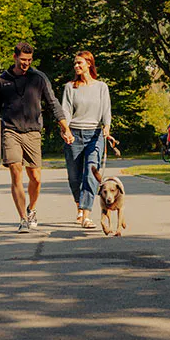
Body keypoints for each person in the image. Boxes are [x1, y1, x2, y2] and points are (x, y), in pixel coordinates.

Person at [0, 42, 73, 233]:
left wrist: (65, 128)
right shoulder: (2, 81)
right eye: (23, 60)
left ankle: (31, 209)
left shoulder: (38, 78)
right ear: (15, 57)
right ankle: (23, 219)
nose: (26, 63)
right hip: (11, 131)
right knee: (16, 171)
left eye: (29, 60)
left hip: (33, 132)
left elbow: (53, 104)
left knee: (36, 177)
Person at [61, 50, 114, 229]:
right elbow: (66, 111)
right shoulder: (70, 87)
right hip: (74, 134)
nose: (76, 66)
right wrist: (66, 130)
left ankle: (86, 215)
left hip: (95, 135)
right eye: (75, 63)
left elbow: (106, 110)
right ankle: (79, 204)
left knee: (91, 174)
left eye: (79, 63)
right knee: (74, 177)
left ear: (89, 64)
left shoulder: (101, 87)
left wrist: (106, 127)